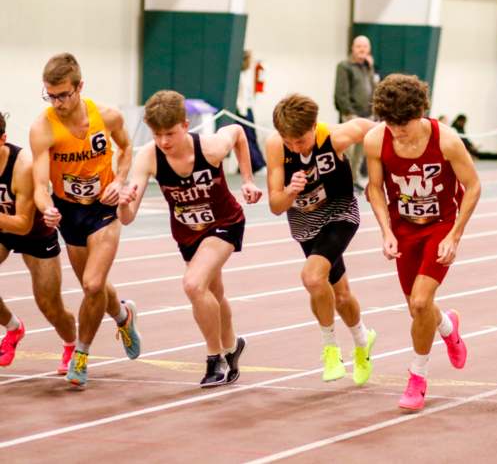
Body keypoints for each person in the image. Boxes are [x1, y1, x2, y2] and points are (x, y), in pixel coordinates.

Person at [118, 90, 261, 387]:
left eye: (169, 133)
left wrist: (247, 179)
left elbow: (237, 133)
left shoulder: (209, 147)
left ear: (185, 125)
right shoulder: (149, 157)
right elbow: (127, 218)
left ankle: (214, 360)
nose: (164, 142)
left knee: (194, 285)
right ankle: (232, 347)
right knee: (214, 293)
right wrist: (122, 201)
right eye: (157, 134)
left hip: (224, 223)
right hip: (187, 234)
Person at [364, 74, 480, 411]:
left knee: (419, 303)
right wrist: (385, 231)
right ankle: (448, 327)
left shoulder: (447, 140)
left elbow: (472, 186)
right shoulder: (376, 140)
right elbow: (375, 188)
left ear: (420, 112)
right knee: (419, 309)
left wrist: (455, 234)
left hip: (439, 227)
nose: (397, 130)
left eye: (404, 124)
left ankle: (417, 376)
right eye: (391, 123)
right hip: (403, 230)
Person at [30, 53, 141, 387]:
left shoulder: (107, 116)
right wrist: (46, 206)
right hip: (69, 211)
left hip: (103, 209)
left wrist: (118, 182)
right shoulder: (42, 128)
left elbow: (125, 149)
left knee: (93, 284)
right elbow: (38, 184)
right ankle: (123, 315)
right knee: (92, 286)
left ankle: (82, 354)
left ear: (80, 87)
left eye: (64, 94)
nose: (58, 102)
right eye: (51, 95)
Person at [266, 94, 377, 385]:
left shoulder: (336, 137)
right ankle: (363, 342)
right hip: (305, 224)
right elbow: (276, 206)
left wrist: (379, 179)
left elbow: (375, 130)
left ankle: (331, 350)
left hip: (340, 213)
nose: (294, 146)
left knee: (313, 277)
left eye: (300, 141)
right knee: (340, 295)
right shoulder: (276, 147)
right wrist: (290, 191)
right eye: (288, 141)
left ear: (314, 126)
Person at [0, 113, 77, 371]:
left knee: (49, 305)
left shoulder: (23, 166)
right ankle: (13, 329)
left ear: (3, 140)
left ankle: (71, 344)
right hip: (2, 227)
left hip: (34, 233)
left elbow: (22, 224)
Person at [334, 36, 378, 190]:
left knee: (360, 153)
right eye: (359, 46)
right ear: (352, 48)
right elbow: (341, 94)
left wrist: (373, 112)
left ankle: (353, 179)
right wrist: (349, 113)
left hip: (367, 115)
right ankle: (342, 181)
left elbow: (373, 88)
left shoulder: (367, 67)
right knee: (348, 152)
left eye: (365, 47)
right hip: (351, 116)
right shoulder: (344, 66)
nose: (362, 49)